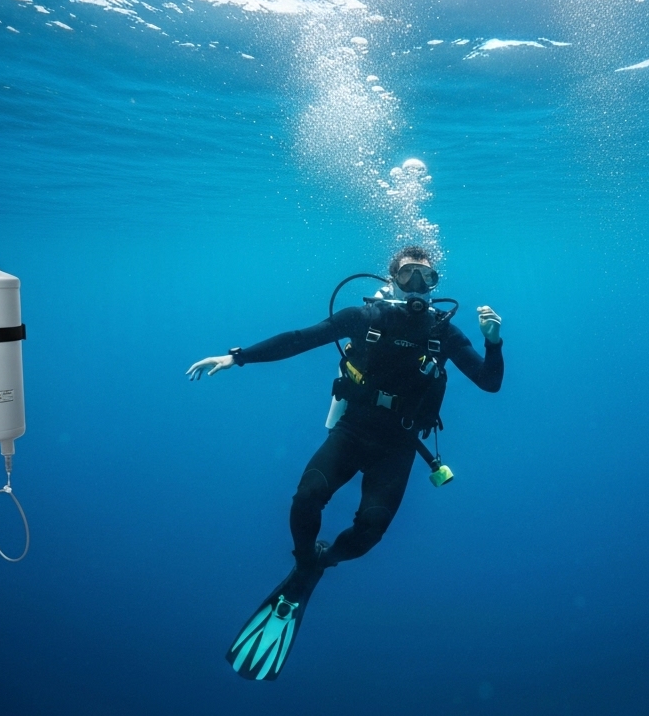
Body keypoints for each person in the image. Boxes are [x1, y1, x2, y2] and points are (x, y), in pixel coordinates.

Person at [186, 245, 504, 680]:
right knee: (306, 497)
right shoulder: (364, 318)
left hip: (399, 444)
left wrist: (493, 342)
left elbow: (489, 382)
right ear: (392, 281)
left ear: (435, 285)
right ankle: (305, 564)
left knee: (370, 530)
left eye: (426, 278)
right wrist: (237, 356)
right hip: (353, 429)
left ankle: (323, 561)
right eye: (408, 275)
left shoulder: (443, 333)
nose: (417, 286)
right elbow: (300, 339)